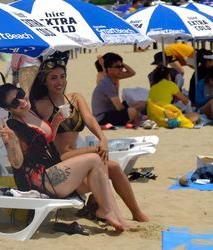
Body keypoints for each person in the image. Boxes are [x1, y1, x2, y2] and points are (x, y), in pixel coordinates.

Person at [0, 84, 128, 231]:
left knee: (103, 169)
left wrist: (56, 122)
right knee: (94, 159)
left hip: (53, 174)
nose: (21, 101)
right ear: (8, 109)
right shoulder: (13, 126)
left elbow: (46, 138)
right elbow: (17, 163)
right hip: (39, 182)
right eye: (14, 102)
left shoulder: (29, 112)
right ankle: (106, 211)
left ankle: (117, 216)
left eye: (20, 94)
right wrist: (12, 142)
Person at [30, 59, 149, 222]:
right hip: (59, 161)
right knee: (99, 154)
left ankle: (135, 213)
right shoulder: (40, 105)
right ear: (44, 81)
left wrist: (103, 138)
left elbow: (90, 119)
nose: (59, 82)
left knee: (113, 166)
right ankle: (97, 205)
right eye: (53, 78)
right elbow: (39, 138)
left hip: (76, 157)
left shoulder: (75, 98)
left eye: (62, 76)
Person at [92, 52, 144, 127]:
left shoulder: (115, 77)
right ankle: (135, 119)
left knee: (141, 104)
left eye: (121, 67)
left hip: (111, 110)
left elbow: (132, 73)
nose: (121, 69)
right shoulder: (106, 82)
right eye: (118, 67)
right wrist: (133, 111)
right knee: (132, 111)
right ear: (109, 69)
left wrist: (121, 63)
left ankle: (134, 117)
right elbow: (119, 107)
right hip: (102, 117)